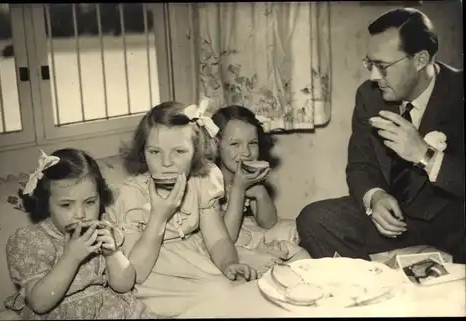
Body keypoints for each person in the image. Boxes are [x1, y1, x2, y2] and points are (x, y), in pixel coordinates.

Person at [296, 8, 465, 263]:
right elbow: (359, 165)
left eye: (382, 66)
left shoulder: (458, 92)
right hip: (397, 217)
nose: (374, 76)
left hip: (453, 220)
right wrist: (374, 197)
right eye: (370, 64)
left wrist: (425, 155)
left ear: (420, 60)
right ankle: (372, 288)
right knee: (314, 219)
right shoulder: (370, 95)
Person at [106, 101, 258, 317]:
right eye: (154, 152)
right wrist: (159, 215)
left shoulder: (202, 181)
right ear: (142, 152)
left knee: (241, 291)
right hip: (152, 272)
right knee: (219, 297)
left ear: (196, 152)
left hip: (193, 259)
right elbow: (136, 273)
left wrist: (229, 263)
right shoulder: (131, 195)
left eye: (179, 151)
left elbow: (217, 238)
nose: (166, 162)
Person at [4, 148, 157, 319]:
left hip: (109, 311)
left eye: (90, 202)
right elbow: (39, 304)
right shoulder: (31, 240)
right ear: (46, 204)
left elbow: (124, 286)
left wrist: (112, 254)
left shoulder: (103, 230)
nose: (81, 214)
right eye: (66, 205)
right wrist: (71, 258)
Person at [211, 105, 310, 274]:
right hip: (220, 240)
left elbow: (269, 222)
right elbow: (226, 238)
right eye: (235, 144)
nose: (246, 152)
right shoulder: (209, 180)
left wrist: (259, 192)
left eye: (252, 143)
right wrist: (238, 190)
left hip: (245, 229)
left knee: (293, 229)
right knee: (260, 258)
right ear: (216, 145)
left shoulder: (246, 173)